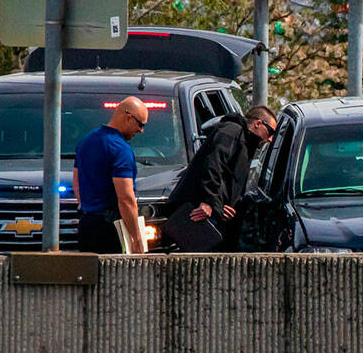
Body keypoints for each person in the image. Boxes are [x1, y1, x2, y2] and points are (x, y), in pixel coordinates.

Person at [165, 105, 277, 251]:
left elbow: (227, 178)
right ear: (258, 123)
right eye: (270, 132)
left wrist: (221, 205)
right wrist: (209, 202)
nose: (270, 139)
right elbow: (213, 166)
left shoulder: (245, 142)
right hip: (199, 210)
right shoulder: (231, 131)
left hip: (216, 213)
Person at [72, 96, 149, 254]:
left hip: (86, 224)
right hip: (111, 227)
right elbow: (126, 199)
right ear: (128, 118)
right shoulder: (120, 149)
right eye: (140, 124)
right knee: (115, 276)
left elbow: (77, 181)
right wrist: (137, 238)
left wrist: (86, 204)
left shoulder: (87, 140)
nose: (141, 130)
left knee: (90, 276)